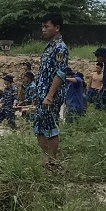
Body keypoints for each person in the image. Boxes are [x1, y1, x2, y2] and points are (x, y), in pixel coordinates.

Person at [33, 13, 69, 166]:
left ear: (57, 28)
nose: (43, 29)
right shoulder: (49, 46)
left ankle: (53, 160)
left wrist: (50, 95)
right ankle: (46, 157)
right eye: (42, 26)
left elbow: (60, 73)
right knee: (39, 126)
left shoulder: (60, 48)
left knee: (50, 126)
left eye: (46, 26)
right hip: (41, 93)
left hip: (50, 95)